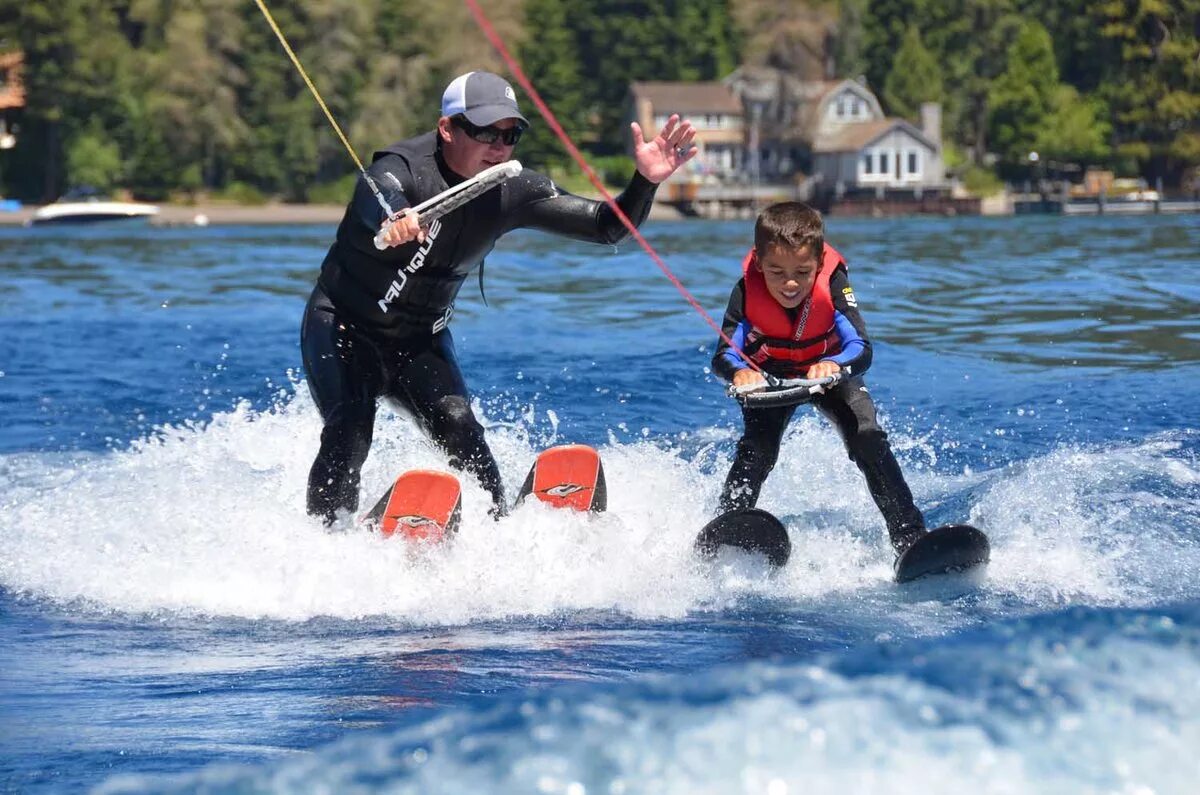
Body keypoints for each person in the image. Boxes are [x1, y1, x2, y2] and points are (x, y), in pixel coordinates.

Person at [302, 70, 696, 524]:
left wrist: (644, 181)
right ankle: (327, 544)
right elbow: (378, 195)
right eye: (485, 131)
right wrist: (397, 218)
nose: (499, 146)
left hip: (418, 342)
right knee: (350, 430)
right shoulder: (402, 170)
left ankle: (495, 529)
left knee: (460, 427)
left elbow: (607, 227)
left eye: (511, 134)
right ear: (447, 128)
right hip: (343, 329)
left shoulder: (511, 188)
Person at [711, 201, 926, 559]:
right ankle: (724, 533)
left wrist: (835, 364)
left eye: (802, 272)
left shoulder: (835, 283)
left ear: (820, 264)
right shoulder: (746, 291)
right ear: (759, 262)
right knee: (756, 453)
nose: (790, 283)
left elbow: (861, 347)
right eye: (776, 272)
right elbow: (723, 354)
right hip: (772, 378)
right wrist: (740, 372)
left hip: (828, 375)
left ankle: (911, 539)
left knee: (868, 439)